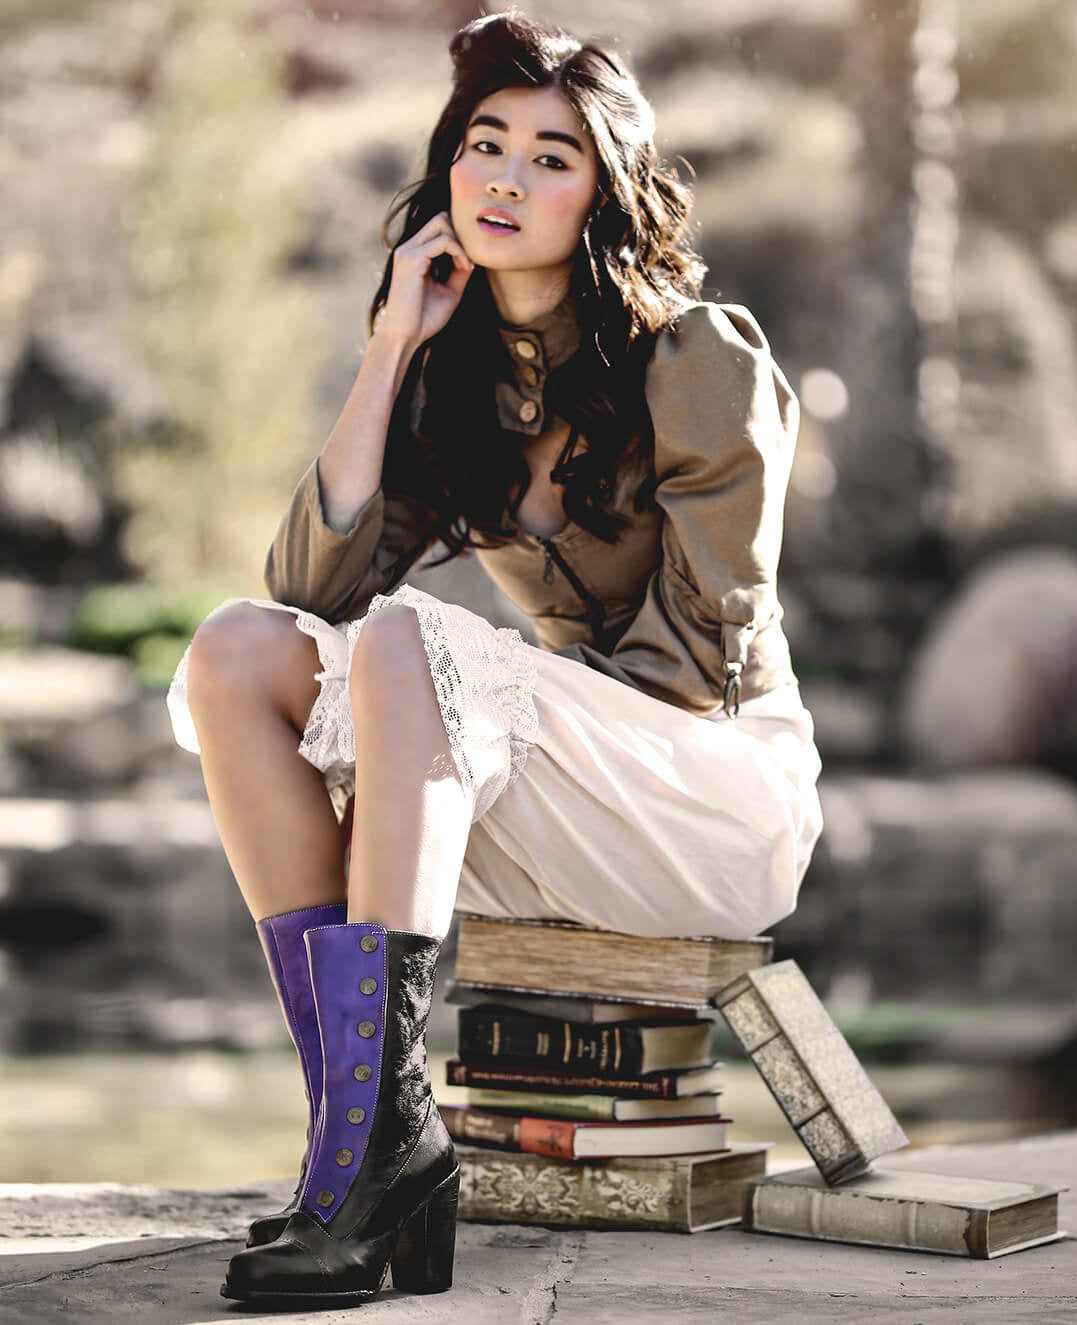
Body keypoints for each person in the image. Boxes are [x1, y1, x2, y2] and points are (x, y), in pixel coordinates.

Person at [165, 8, 822, 1307]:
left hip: (709, 790)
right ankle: (363, 1154)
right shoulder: (458, 380)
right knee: (236, 654)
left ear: (606, 189)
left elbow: (694, 663)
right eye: (485, 143)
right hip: (561, 771)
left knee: (414, 644)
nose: (506, 179)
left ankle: (370, 1169)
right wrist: (391, 342)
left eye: (551, 155)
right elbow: (305, 585)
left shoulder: (695, 357)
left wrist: (448, 730)